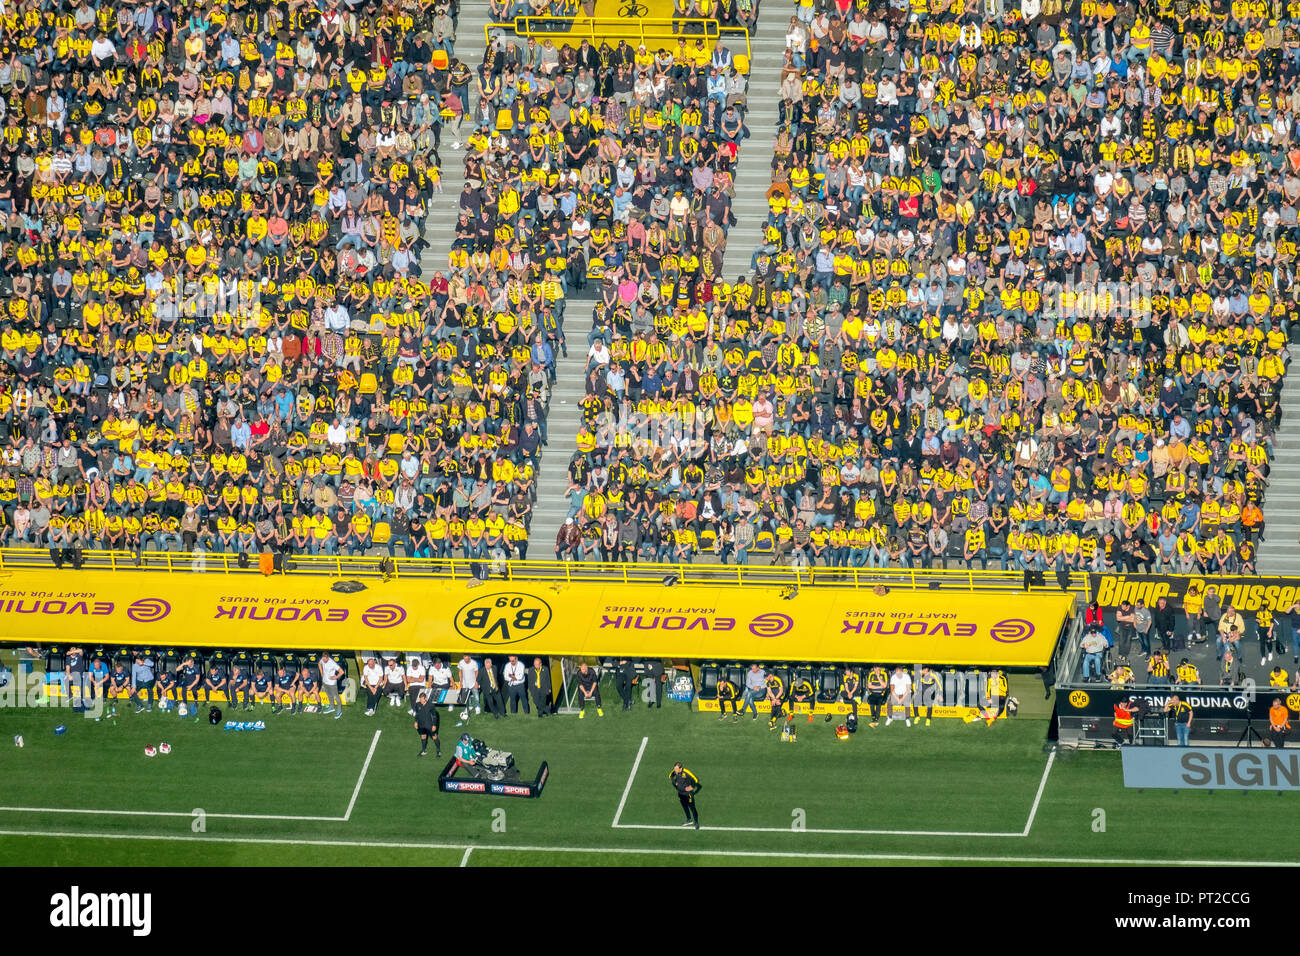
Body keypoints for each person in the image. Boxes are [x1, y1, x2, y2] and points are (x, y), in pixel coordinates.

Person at [669, 762, 701, 830]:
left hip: (688, 794)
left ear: (680, 768)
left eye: (676, 769)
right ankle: (689, 820)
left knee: (692, 808)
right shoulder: (675, 771)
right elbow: (670, 776)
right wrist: (675, 783)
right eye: (674, 769)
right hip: (680, 793)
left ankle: (696, 822)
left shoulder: (686, 772)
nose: (675, 770)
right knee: (685, 807)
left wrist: (692, 787)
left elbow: (696, 780)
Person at [414, 691, 441, 758]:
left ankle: (438, 751)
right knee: (423, 736)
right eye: (420, 699)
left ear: (425, 698)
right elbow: (417, 714)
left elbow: (434, 716)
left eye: (422, 699)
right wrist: (416, 722)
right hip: (421, 724)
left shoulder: (431, 705)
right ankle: (424, 750)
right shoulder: (418, 705)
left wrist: (434, 725)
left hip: (429, 724)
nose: (421, 700)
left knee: (434, 736)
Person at [320, 653, 345, 720]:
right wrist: (321, 673)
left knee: (336, 697)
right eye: (323, 659)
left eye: (325, 659)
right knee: (329, 695)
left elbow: (342, 672)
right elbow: (319, 664)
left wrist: (336, 677)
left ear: (328, 658)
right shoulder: (322, 660)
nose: (324, 660)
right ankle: (331, 707)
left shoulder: (332, 663)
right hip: (325, 682)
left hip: (332, 683)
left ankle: (339, 711)